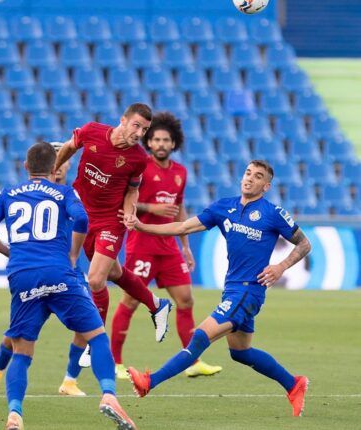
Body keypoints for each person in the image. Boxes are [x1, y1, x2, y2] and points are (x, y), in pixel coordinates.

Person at [124, 160, 311, 417]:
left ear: (266, 186)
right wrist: (142, 226)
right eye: (247, 173)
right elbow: (183, 226)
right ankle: (293, 383)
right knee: (241, 352)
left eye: (257, 177)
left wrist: (281, 266)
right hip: (232, 288)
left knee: (200, 336)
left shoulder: (273, 213)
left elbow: (304, 244)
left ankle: (150, 381)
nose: (249, 179)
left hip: (249, 290)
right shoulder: (224, 207)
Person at [0, 142, 136, 430]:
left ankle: (14, 413)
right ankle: (109, 395)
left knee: (22, 352)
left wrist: (10, 252)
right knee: (97, 336)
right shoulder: (64, 192)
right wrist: (73, 254)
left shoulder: (8, 193)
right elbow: (83, 218)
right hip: (60, 272)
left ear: (25, 167)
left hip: (23, 275)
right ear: (54, 168)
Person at [111, 112, 222, 380]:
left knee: (186, 300)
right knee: (131, 300)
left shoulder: (180, 173)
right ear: (149, 142)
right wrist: (152, 208)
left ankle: (192, 360)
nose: (161, 144)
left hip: (169, 247)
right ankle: (115, 363)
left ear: (174, 144)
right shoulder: (140, 166)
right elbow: (124, 201)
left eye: (166, 140)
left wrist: (185, 246)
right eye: (156, 139)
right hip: (142, 246)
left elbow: (179, 210)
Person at [53, 103, 172, 345]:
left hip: (111, 220)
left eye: (144, 129)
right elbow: (68, 147)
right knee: (115, 272)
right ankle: (157, 305)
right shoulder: (91, 131)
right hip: (82, 217)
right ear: (123, 120)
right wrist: (51, 171)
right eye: (137, 126)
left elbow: (132, 192)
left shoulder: (138, 159)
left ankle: (94, 340)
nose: (139, 133)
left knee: (96, 279)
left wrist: (129, 213)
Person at [0, 142, 90, 397]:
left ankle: (69, 381)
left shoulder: (72, 194)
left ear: (68, 164)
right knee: (19, 332)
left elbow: (83, 224)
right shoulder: (24, 194)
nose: (60, 166)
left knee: (85, 324)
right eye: (57, 160)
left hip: (66, 269)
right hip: (34, 267)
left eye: (65, 161)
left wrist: (75, 254)